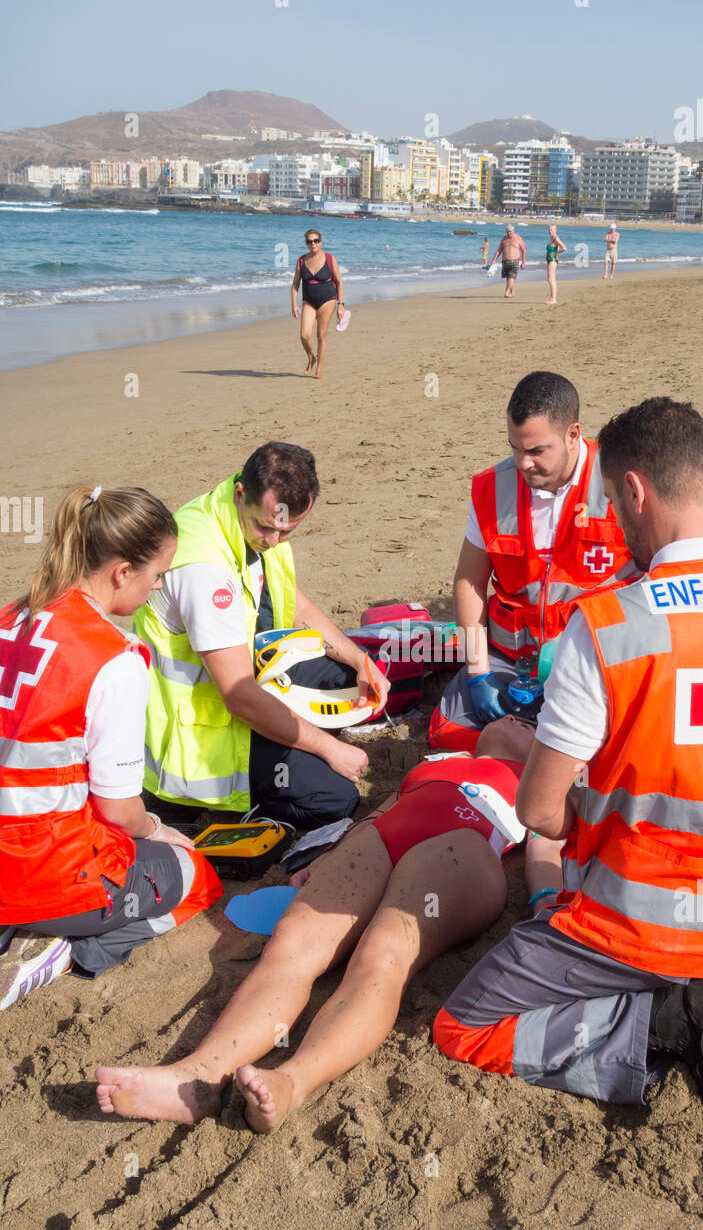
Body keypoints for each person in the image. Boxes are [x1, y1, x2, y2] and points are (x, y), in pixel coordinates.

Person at [434, 397, 703, 1122]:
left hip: (646, 918)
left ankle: (673, 1019)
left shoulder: (609, 625)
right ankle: (700, 990)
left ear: (635, 491)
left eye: (614, 505)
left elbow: (539, 812)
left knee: (463, 1026)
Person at [95, 716, 563, 1128]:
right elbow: (381, 812)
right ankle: (194, 1078)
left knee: (382, 955)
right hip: (385, 837)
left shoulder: (539, 778)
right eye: (511, 716)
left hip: (462, 848)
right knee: (293, 945)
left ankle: (292, 1082)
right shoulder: (436, 759)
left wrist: (545, 900)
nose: (519, 720)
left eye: (532, 723)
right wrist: (330, 855)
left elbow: (544, 845)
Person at [0, 487, 222, 1008]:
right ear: (123, 572)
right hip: (40, 866)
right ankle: (67, 951)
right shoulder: (114, 658)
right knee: (194, 878)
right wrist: (161, 832)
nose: (159, 585)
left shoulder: (11, 617)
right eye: (157, 574)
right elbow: (120, 812)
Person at [135, 443, 390, 832]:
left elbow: (296, 603)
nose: (273, 541)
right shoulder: (205, 569)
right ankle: (224, 807)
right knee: (336, 798)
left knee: (345, 681)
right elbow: (239, 697)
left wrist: (359, 660)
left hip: (238, 680)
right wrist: (330, 749)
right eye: (266, 528)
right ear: (241, 493)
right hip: (201, 732)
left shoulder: (237, 511)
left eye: (287, 530)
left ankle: (292, 744)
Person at [429, 371, 633, 752]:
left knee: (596, 750)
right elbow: (469, 581)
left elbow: (656, 576)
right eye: (515, 448)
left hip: (594, 664)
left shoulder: (619, 482)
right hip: (512, 664)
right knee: (448, 734)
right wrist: (477, 671)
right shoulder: (493, 488)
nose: (523, 464)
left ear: (573, 434)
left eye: (538, 451)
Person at [290, 229, 346, 379]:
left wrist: (341, 304)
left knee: (321, 335)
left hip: (327, 300)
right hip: (308, 301)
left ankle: (319, 368)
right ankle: (311, 358)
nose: (313, 244)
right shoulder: (302, 260)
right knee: (304, 335)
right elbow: (295, 284)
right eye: (309, 241)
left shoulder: (329, 258)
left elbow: (339, 282)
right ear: (306, 243)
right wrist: (294, 304)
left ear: (321, 241)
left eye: (316, 241)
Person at [489, 225, 527, 300]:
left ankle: (506, 292)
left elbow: (523, 250)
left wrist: (523, 262)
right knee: (508, 278)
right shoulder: (504, 239)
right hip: (505, 261)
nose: (509, 233)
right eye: (507, 231)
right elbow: (499, 250)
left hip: (514, 261)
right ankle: (512, 292)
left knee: (511, 277)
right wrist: (494, 259)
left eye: (510, 231)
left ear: (513, 230)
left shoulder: (518, 238)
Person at [545, 223, 567, 305]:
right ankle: (552, 298)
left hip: (553, 260)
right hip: (549, 259)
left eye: (551, 230)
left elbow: (564, 248)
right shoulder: (551, 238)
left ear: (555, 230)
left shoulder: (556, 238)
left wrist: (557, 253)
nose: (549, 231)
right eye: (549, 230)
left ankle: (554, 299)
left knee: (551, 280)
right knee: (549, 279)